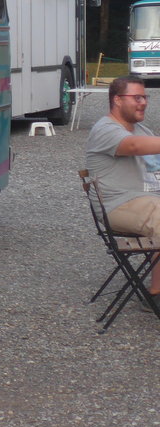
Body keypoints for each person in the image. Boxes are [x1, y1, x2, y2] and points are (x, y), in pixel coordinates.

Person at [84, 74, 160, 295]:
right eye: (137, 98)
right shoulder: (105, 129)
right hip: (118, 204)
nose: (143, 102)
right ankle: (156, 295)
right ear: (117, 100)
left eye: (144, 97)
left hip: (146, 199)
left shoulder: (141, 129)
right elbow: (134, 146)